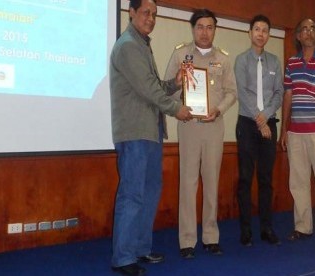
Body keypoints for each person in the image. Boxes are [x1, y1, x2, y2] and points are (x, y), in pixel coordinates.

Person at [109, 0, 192, 275]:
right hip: (135, 132)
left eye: (154, 14)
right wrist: (176, 108)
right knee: (132, 194)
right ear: (131, 13)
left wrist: (174, 85)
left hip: (150, 131)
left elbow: (154, 87)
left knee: (149, 191)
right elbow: (148, 90)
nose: (151, 18)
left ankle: (140, 249)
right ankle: (123, 258)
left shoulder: (142, 44)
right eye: (146, 13)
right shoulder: (128, 46)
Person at [164, 9, 237, 259]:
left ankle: (210, 237)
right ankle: (187, 240)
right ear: (193, 29)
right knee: (188, 182)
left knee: (212, 181)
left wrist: (219, 109)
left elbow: (231, 92)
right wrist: (179, 108)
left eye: (210, 27)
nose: (205, 32)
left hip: (214, 127)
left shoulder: (224, 59)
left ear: (215, 30)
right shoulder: (180, 54)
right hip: (189, 126)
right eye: (200, 27)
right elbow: (167, 90)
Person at [279, 18, 315, 247]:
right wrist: (284, 129)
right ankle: (303, 227)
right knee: (298, 181)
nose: (309, 31)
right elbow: (288, 96)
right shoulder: (292, 63)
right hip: (295, 133)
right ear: (298, 35)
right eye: (304, 28)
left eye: (313, 28)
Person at [234, 15, 283, 247]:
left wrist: (267, 118)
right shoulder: (241, 60)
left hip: (269, 124)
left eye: (265, 30)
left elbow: (279, 93)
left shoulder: (274, 62)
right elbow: (242, 93)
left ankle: (266, 228)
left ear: (268, 35)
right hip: (247, 123)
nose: (261, 33)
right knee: (245, 178)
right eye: (257, 29)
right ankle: (245, 231)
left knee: (266, 178)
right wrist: (260, 120)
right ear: (250, 32)